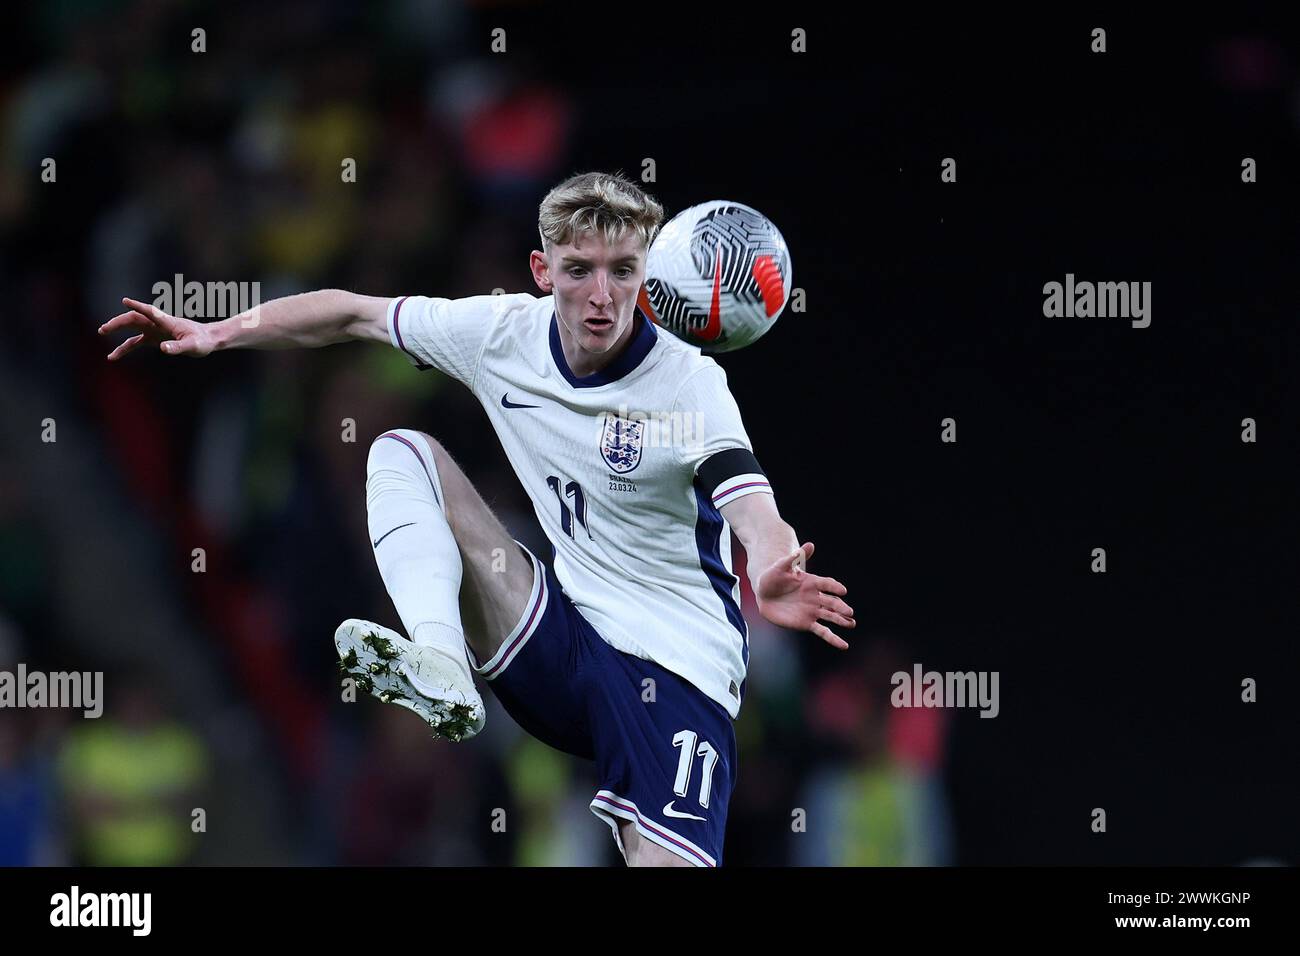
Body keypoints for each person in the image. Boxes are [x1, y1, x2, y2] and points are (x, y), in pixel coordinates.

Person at [99, 171, 855, 867]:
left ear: (648, 279)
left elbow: (751, 505)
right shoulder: (501, 334)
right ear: (541, 272)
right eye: (579, 270)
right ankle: (440, 665)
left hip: (676, 672)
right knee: (401, 451)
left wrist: (769, 564)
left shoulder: (689, 386)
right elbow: (351, 314)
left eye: (623, 272)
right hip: (563, 641)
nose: (601, 295)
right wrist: (217, 332)